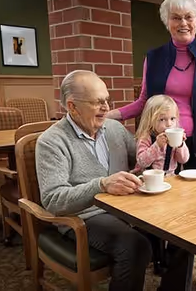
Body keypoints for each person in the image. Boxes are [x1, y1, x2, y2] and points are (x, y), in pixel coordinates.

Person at [36, 70, 151, 291]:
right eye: (98, 102)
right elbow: (53, 200)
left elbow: (143, 158)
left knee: (181, 231)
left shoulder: (114, 129)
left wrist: (164, 148)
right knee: (135, 246)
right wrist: (101, 185)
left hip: (128, 208)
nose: (107, 108)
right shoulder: (51, 142)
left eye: (107, 100)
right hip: (85, 217)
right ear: (72, 106)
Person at [107, 0, 196, 173]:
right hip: (159, 147)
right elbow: (144, 102)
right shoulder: (153, 57)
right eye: (176, 18)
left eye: (188, 17)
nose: (183, 23)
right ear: (167, 22)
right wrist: (107, 115)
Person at [134, 94, 189, 176]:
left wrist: (180, 144)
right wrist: (157, 145)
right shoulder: (146, 137)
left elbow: (183, 160)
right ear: (150, 120)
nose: (169, 124)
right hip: (150, 178)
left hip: (171, 177)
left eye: (172, 119)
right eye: (162, 119)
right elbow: (142, 162)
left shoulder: (174, 136)